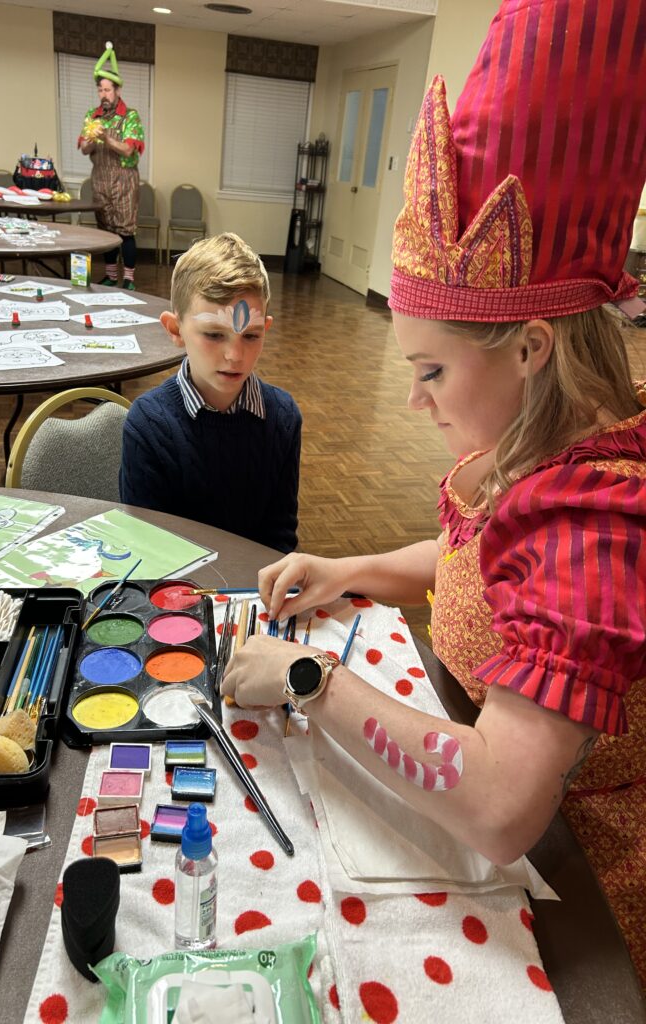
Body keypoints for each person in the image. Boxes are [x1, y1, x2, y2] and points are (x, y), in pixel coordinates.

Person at [221, 0, 646, 988]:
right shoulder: (534, 444)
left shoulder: (601, 523)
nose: (413, 402)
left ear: (533, 347)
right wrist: (352, 567)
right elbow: (473, 567)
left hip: (578, 888)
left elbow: (501, 808)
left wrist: (309, 681)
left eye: (434, 372)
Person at [119, 232, 301, 553]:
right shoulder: (149, 425)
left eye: (251, 336)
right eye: (214, 335)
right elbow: (148, 547)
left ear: (266, 330)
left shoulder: (283, 418)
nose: (235, 355)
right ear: (175, 330)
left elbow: (279, 538)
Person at [78, 41, 144, 290]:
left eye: (108, 89)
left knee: (125, 231)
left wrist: (107, 138)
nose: (103, 94)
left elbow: (129, 149)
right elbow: (85, 149)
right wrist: (92, 139)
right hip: (100, 179)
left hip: (125, 180)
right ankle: (110, 276)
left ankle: (128, 279)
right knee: (105, 230)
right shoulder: (91, 116)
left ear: (116, 91)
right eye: (100, 90)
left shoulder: (130, 116)